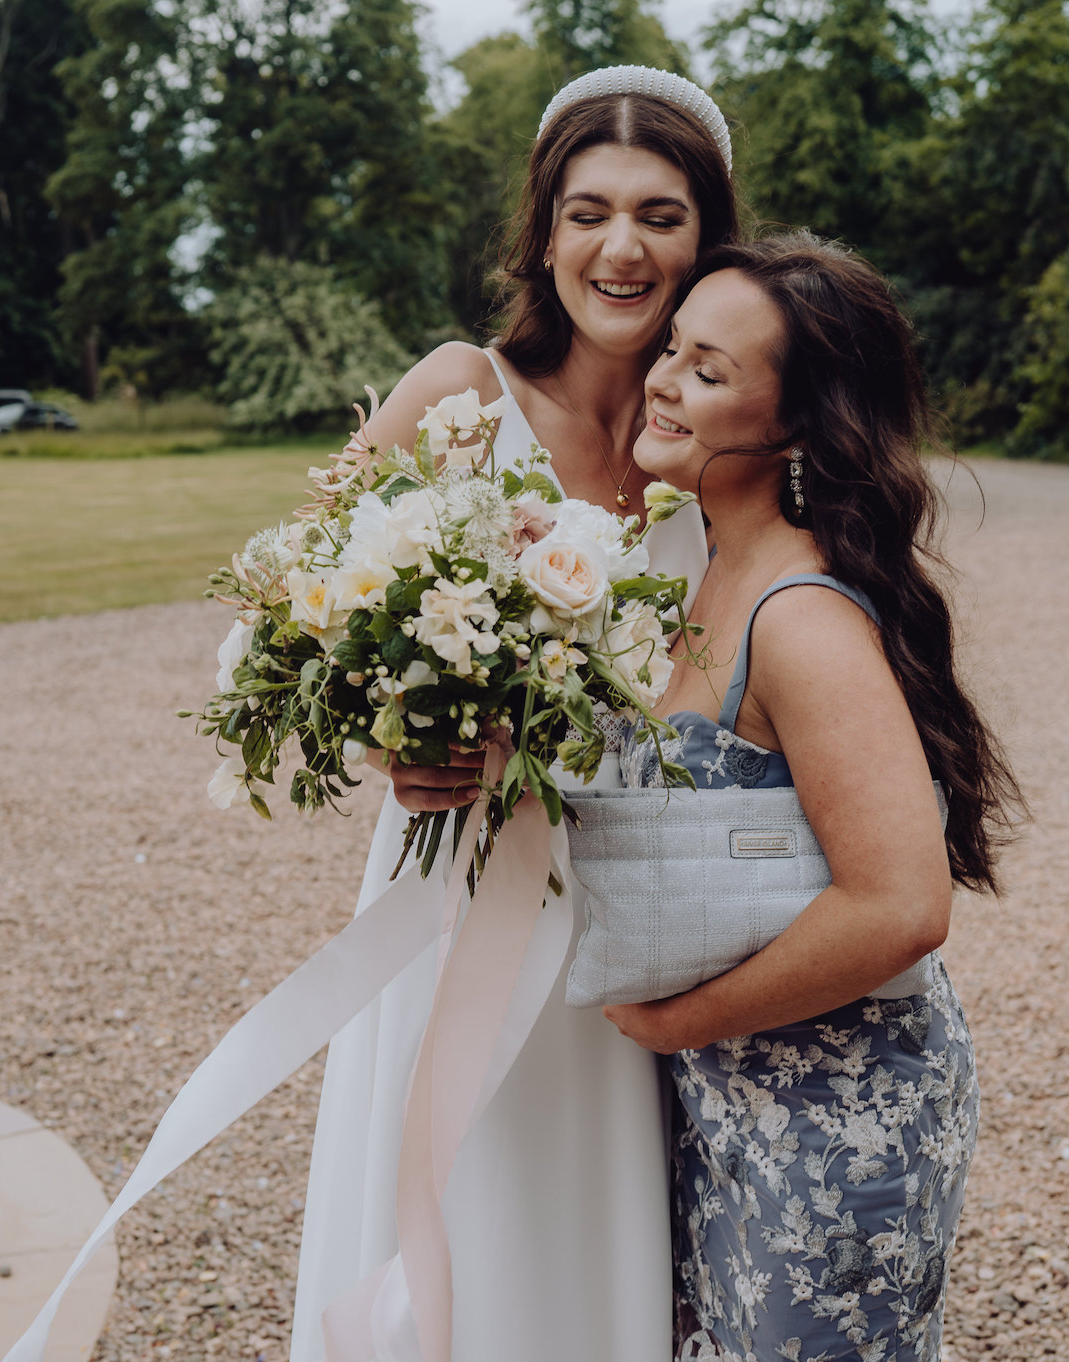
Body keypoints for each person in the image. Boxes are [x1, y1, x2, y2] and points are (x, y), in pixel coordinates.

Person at [289, 67, 740, 1362]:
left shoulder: (720, 433)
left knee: (587, 1226)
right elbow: (314, 626)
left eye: (662, 214)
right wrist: (395, 738)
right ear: (544, 235)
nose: (623, 247)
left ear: (707, 238)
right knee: (450, 1200)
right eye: (590, 211)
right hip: (453, 894)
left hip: (632, 913)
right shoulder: (458, 394)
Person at [600, 233, 1022, 1362]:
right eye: (673, 350)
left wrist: (669, 1026)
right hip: (726, 1097)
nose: (664, 380)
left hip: (836, 1120)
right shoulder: (701, 570)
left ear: (792, 422)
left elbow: (898, 907)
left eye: (708, 370)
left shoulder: (799, 618)